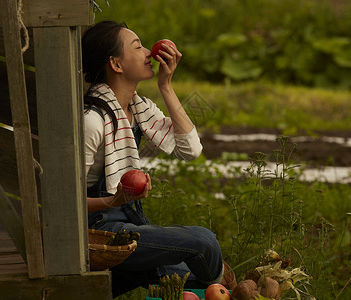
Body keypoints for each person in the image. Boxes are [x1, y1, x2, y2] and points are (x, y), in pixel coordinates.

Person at [81, 20, 235, 296]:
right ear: (116, 64)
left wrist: (166, 86)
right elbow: (65, 204)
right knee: (204, 243)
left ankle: (217, 287)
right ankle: (219, 287)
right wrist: (112, 200)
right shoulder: (93, 121)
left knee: (202, 276)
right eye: (137, 47)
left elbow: (190, 150)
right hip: (100, 233)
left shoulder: (138, 109)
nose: (148, 52)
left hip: (129, 223)